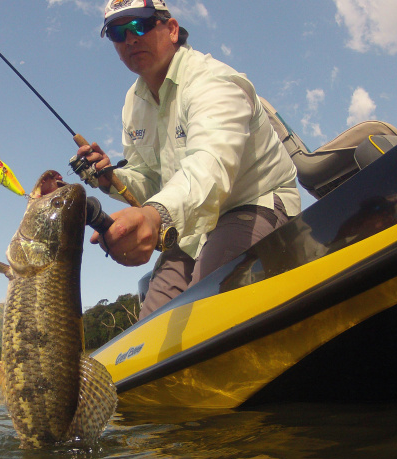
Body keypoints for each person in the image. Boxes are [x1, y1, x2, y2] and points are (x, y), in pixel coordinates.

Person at [78, 0, 301, 320]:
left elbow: (211, 164)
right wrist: (110, 178)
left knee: (202, 312)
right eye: (117, 32)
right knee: (152, 326)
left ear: (171, 29)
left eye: (139, 25)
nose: (130, 39)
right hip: (191, 226)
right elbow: (149, 179)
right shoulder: (132, 104)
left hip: (253, 204)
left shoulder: (214, 81)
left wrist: (155, 217)